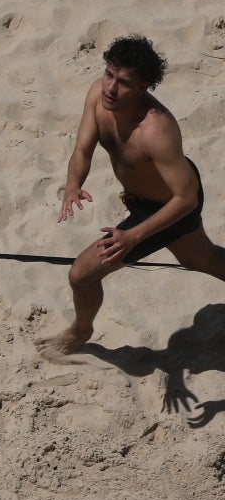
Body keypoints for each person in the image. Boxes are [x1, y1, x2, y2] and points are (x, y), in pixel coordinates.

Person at [41, 35, 225, 360]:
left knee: (81, 274)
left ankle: (80, 331)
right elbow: (83, 148)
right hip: (142, 199)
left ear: (143, 88)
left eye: (123, 82)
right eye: (109, 74)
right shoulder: (99, 96)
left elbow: (186, 199)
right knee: (200, 258)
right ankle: (82, 328)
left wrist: (131, 236)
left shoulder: (156, 131)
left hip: (170, 206)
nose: (111, 88)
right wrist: (73, 184)